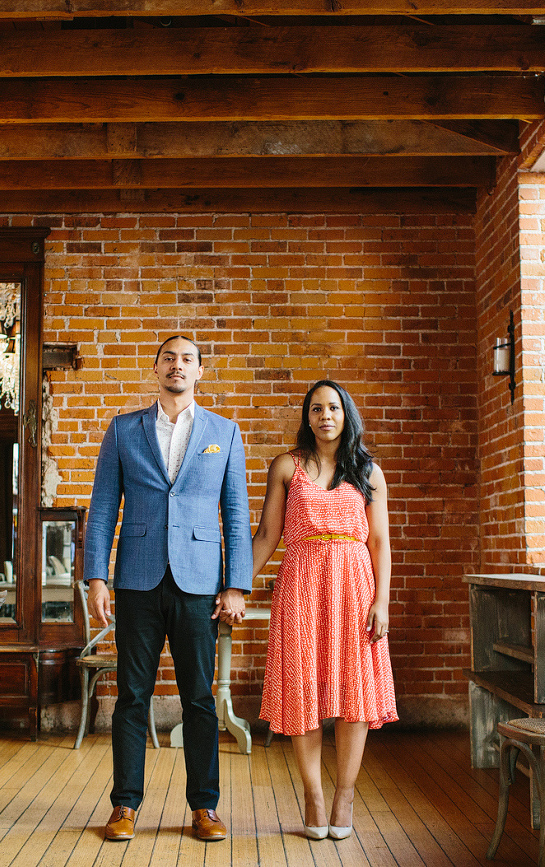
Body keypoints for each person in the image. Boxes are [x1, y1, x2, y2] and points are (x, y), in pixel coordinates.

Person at [84, 335, 252, 843]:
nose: (177, 366)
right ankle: (124, 806)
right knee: (132, 697)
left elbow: (237, 515)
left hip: (200, 582)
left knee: (199, 698)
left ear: (200, 371)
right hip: (136, 579)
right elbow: (102, 510)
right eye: (168, 358)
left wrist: (236, 585)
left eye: (187, 359)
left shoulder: (225, 432)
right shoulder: (122, 430)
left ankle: (205, 808)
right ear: (155, 368)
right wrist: (96, 577)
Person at [254, 379, 398, 841]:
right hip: (300, 588)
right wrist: (232, 586)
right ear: (307, 417)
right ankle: (314, 794)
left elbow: (379, 542)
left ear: (345, 413)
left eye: (333, 407)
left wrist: (382, 601)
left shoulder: (368, 472)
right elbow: (267, 536)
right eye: (316, 409)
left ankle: (345, 794)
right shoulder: (286, 467)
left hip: (354, 588)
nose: (324, 416)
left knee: (353, 695)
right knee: (302, 694)